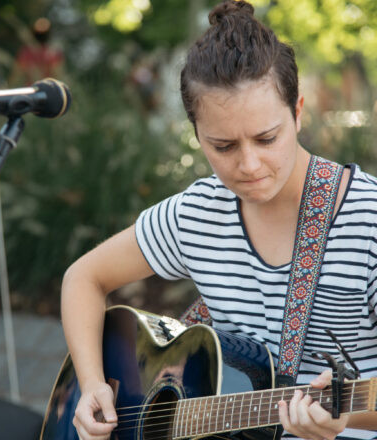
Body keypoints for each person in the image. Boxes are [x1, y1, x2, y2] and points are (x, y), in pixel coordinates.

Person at [61, 1, 377, 439]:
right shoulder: (194, 213)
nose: (249, 164)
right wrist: (94, 384)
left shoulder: (368, 220)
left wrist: (344, 416)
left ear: (299, 112)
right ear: (197, 136)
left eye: (267, 138)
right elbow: (83, 277)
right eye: (224, 146)